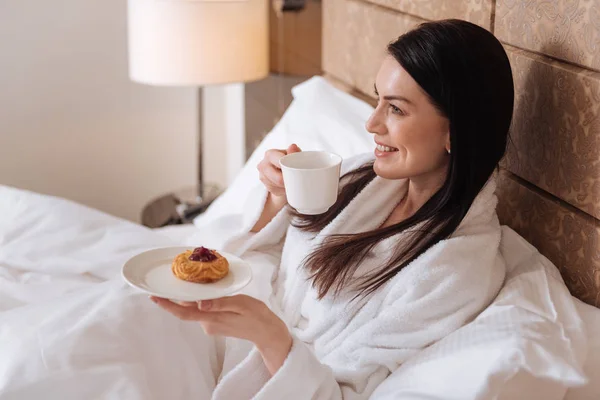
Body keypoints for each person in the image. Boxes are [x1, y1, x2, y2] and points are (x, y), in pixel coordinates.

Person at [151, 19, 514, 399]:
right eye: (377, 100)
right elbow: (266, 249)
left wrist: (270, 335)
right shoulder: (364, 176)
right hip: (225, 331)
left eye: (396, 109)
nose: (372, 123)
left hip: (268, 370)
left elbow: (345, 392)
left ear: (456, 131)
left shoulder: (454, 269)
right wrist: (277, 195)